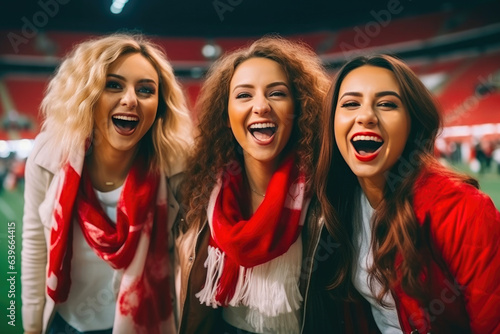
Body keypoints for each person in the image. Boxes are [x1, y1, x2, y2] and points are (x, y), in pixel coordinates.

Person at [315, 54, 500, 333]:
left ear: (412, 123)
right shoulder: (334, 203)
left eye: (387, 104)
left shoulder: (465, 210)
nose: (366, 116)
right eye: (351, 104)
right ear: (331, 123)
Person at [21, 33, 192, 334]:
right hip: (64, 324)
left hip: (146, 325)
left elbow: (190, 258)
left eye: (145, 90)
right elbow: (34, 244)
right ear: (87, 94)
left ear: (160, 105)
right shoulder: (48, 155)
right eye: (113, 85)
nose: (130, 99)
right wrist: (31, 325)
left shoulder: (176, 166)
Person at [176, 36, 330, 333]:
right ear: (226, 113)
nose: (261, 106)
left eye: (277, 93)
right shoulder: (200, 190)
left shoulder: (328, 192)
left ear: (299, 107)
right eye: (244, 95)